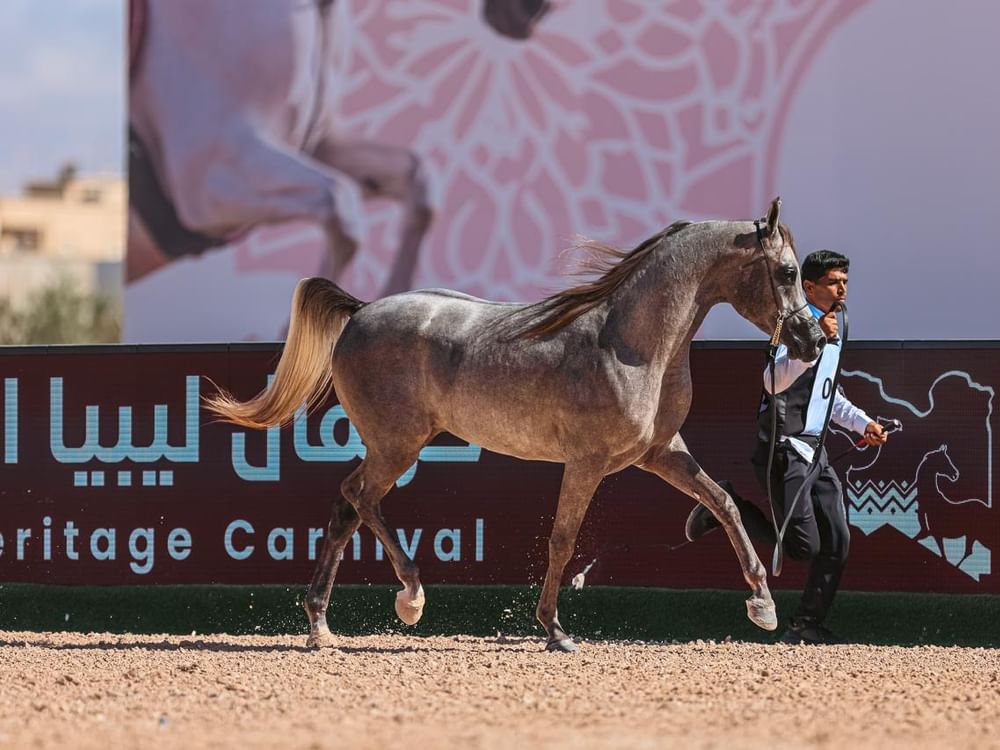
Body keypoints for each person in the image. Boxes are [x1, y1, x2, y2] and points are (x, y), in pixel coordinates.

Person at [684, 249, 888, 645]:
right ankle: (726, 503)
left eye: (845, 281)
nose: (842, 289)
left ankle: (805, 624)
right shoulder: (792, 325)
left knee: (837, 541)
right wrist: (814, 344)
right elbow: (772, 381)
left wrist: (863, 423)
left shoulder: (838, 325)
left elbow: (828, 394)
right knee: (801, 546)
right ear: (808, 287)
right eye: (833, 282)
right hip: (786, 450)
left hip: (817, 452)